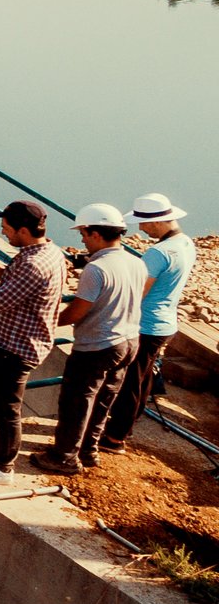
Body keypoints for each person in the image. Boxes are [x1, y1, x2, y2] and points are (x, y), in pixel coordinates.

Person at [30, 203, 147, 475]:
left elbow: (76, 312)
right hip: (129, 341)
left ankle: (64, 457)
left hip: (98, 346)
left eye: (84, 232)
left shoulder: (97, 270)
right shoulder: (135, 261)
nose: (81, 238)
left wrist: (46, 319)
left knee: (77, 401)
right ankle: (88, 451)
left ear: (96, 234)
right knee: (104, 399)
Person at [0, 200, 66, 485]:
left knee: (6, 407)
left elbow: (0, 299)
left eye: (6, 228)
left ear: (23, 230)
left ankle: (2, 466)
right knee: (1, 402)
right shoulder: (46, 252)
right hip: (15, 341)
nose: (3, 231)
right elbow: (15, 285)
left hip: (17, 346)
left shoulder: (32, 263)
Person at [102, 193, 198, 452]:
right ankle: (124, 429)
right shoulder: (185, 243)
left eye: (143, 224)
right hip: (165, 322)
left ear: (158, 222)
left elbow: (137, 291)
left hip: (145, 325)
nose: (142, 230)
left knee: (130, 382)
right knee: (143, 380)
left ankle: (114, 437)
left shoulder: (158, 252)